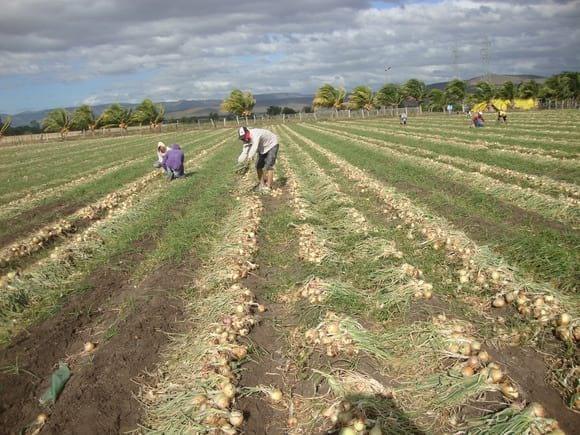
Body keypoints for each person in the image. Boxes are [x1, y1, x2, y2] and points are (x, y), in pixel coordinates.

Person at [237, 126, 279, 193]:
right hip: (262, 148)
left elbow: (254, 147)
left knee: (269, 166)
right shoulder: (245, 140)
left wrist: (250, 157)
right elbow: (244, 152)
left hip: (272, 144)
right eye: (242, 138)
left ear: (248, 132)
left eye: (244, 136)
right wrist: (240, 162)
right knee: (258, 166)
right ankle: (262, 185)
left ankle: (268, 187)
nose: (244, 139)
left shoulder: (255, 134)